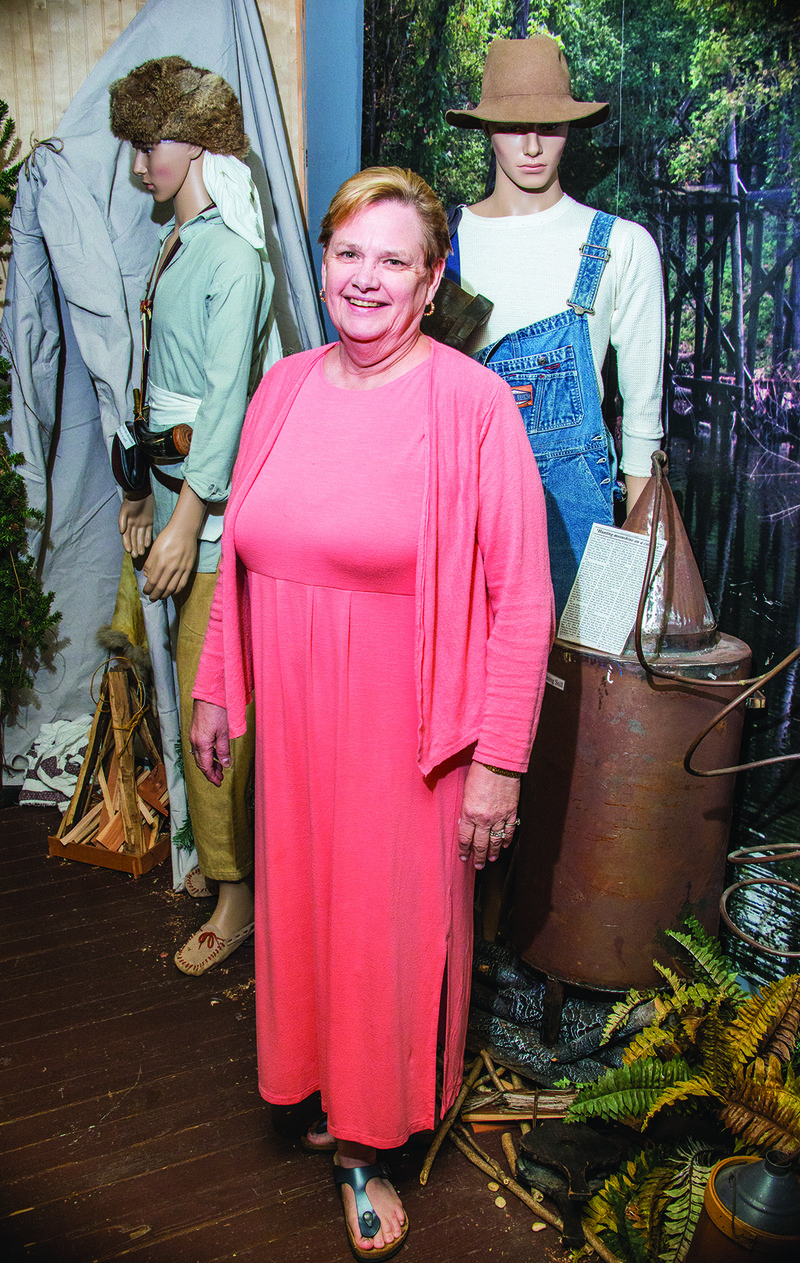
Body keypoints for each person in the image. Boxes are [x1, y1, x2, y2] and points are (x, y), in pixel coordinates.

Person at [189, 167, 554, 1259]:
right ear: (323, 261)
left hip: (409, 732)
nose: (364, 277)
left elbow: (521, 596)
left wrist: (498, 762)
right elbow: (240, 554)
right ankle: (313, 1087)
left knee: (382, 941)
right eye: (348, 252)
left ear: (430, 281)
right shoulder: (282, 389)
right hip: (294, 718)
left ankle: (364, 1145)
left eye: (393, 259)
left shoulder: (471, 404)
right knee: (303, 915)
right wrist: (218, 679)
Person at [108, 57, 276, 974]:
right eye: (135, 145)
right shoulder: (174, 242)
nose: (143, 163)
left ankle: (236, 896)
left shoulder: (231, 253)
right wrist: (141, 490)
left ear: (202, 143)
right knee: (185, 687)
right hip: (168, 496)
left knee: (215, 702)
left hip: (208, 515)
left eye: (157, 142)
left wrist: (186, 520)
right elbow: (150, 383)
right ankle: (214, 868)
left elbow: (226, 400)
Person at [445, 34, 666, 615]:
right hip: (457, 512)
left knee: (572, 702)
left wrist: (642, 574)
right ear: (486, 129)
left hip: (574, 527)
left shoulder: (622, 247)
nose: (534, 145)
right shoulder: (440, 244)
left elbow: (642, 435)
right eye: (515, 126)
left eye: (551, 125)